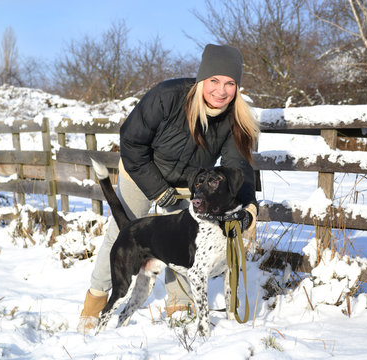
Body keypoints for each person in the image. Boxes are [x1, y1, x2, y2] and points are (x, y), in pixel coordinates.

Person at [77, 44, 259, 333]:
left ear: (237, 87)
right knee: (121, 234)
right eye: (214, 80)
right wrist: (157, 190)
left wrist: (249, 207)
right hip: (141, 170)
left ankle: (179, 307)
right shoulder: (167, 96)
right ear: (202, 80)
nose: (221, 91)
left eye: (230, 83)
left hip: (190, 182)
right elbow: (131, 142)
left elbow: (239, 169)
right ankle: (95, 304)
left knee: (183, 233)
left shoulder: (235, 120)